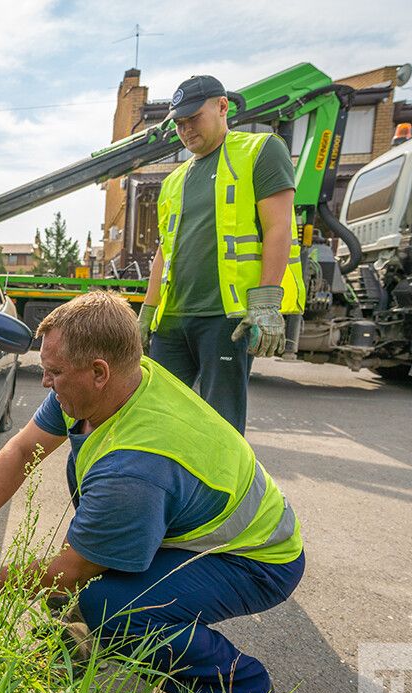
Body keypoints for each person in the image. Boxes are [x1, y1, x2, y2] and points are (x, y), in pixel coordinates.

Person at [0, 291, 304, 693]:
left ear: (99, 372)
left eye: (54, 373)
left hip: (257, 558)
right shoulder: (113, 383)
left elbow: (72, 570)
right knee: (94, 549)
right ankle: (82, 635)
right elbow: (24, 446)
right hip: (199, 521)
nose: (44, 382)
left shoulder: (136, 467)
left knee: (112, 605)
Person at [137, 75, 306, 434]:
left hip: (224, 318)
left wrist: (265, 303)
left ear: (222, 106)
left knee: (220, 426)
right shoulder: (174, 180)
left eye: (192, 119)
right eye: (178, 124)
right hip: (173, 319)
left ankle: (223, 491)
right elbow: (163, 252)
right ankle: (170, 487)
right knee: (158, 417)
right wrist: (147, 312)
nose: (185, 130)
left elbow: (279, 229)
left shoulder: (261, 151)